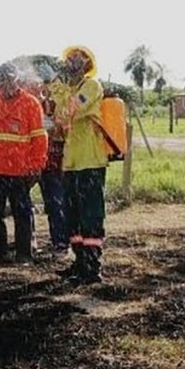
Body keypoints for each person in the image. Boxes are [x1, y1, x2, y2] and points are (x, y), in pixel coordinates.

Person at [0, 62, 47, 263]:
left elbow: (39, 138)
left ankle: (24, 253)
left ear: (17, 80)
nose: (6, 83)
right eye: (2, 79)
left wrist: (37, 165)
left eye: (9, 79)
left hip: (20, 170)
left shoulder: (30, 104)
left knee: (21, 212)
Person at [53, 45, 108, 283]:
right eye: (69, 58)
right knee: (72, 215)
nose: (71, 62)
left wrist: (57, 90)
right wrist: (58, 89)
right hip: (72, 162)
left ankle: (92, 267)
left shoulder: (92, 86)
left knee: (91, 214)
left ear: (86, 64)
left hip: (91, 161)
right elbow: (60, 117)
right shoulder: (68, 90)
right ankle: (79, 263)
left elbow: (71, 110)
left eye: (76, 58)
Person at [38, 75, 70, 256]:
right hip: (41, 162)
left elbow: (62, 131)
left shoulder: (63, 106)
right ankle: (55, 239)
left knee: (58, 203)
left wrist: (52, 123)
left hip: (58, 162)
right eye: (45, 84)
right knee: (50, 204)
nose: (47, 87)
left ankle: (61, 242)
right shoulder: (38, 106)